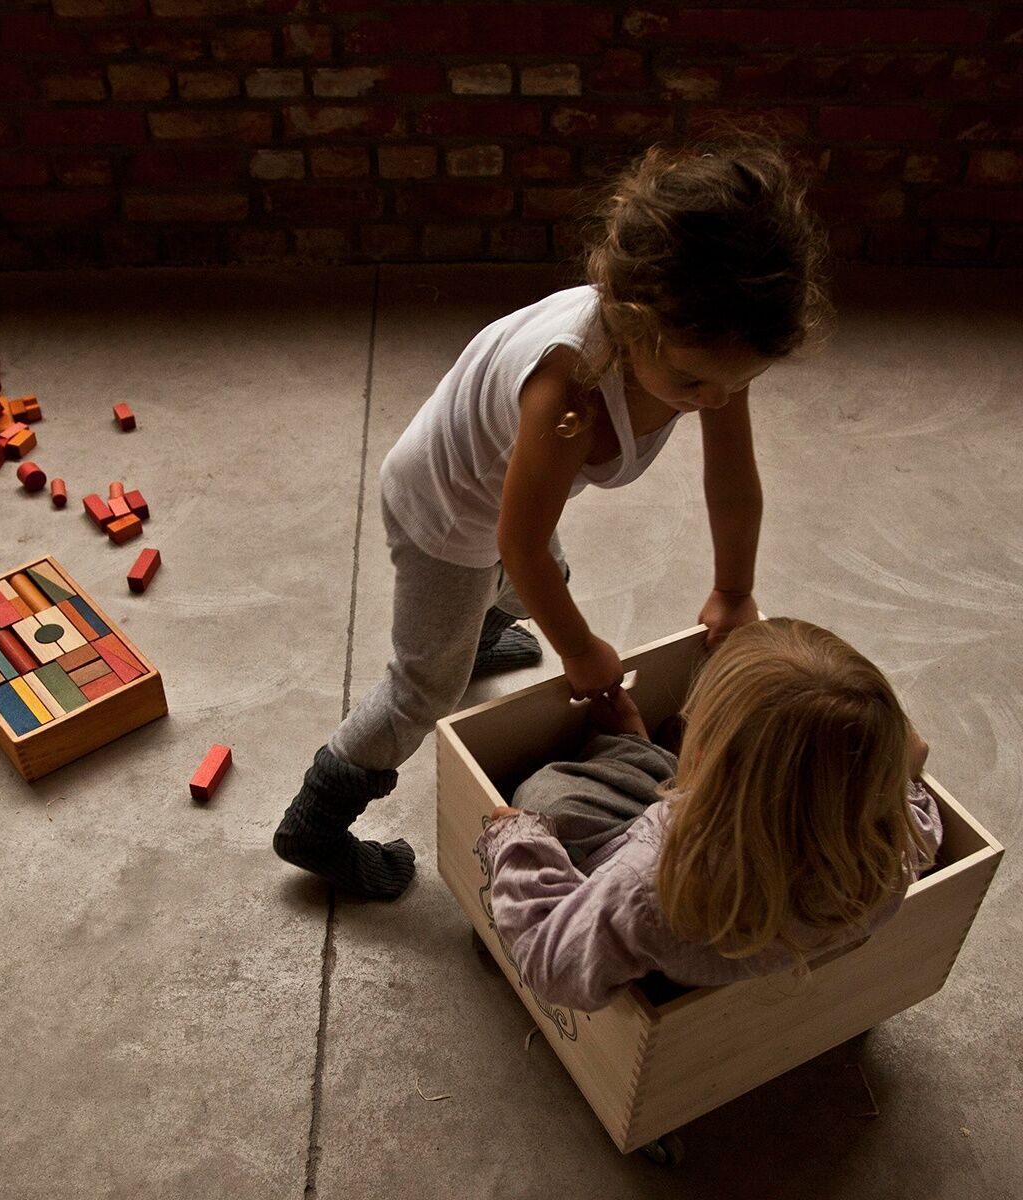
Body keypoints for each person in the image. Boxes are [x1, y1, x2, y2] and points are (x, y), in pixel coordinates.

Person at [275, 135, 832, 901]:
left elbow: (731, 481)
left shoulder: (706, 350)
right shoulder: (566, 383)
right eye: (693, 384)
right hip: (445, 505)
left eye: (732, 386)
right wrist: (584, 653)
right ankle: (318, 821)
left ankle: (476, 633)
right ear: (634, 322)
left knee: (543, 581)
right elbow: (516, 541)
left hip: (511, 490)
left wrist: (735, 589)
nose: (712, 400)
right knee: (425, 683)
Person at [477, 619, 942, 1010]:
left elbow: (552, 962)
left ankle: (635, 754)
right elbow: (915, 774)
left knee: (547, 798)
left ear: (698, 766)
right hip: (730, 925)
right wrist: (900, 781)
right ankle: (641, 755)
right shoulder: (888, 848)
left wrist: (519, 840)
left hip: (659, 914)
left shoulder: (654, 883)